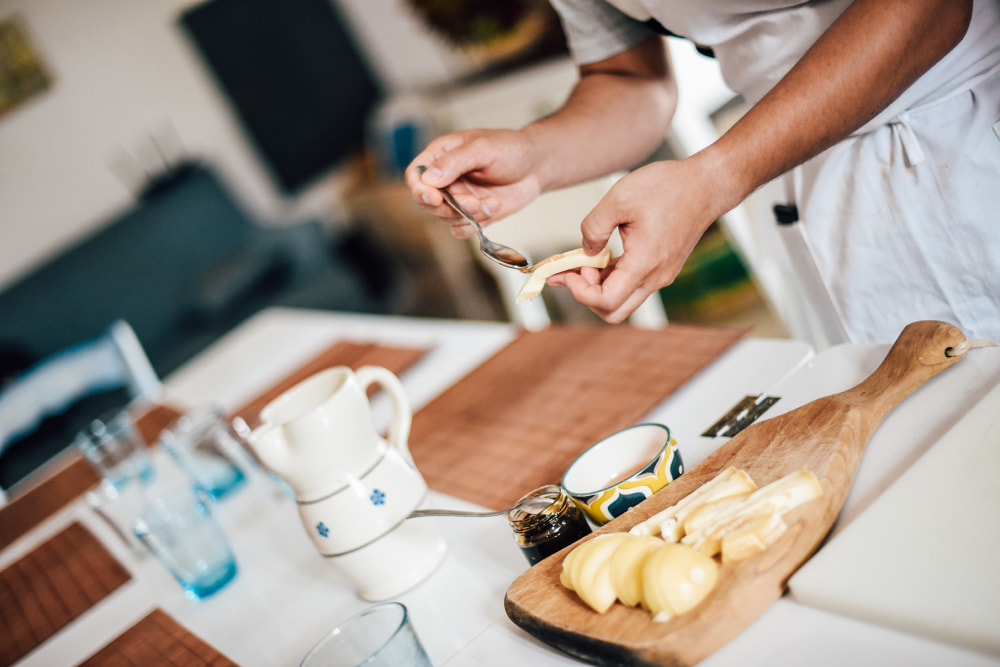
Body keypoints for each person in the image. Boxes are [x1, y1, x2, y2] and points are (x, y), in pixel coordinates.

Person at [406, 0, 1000, 343]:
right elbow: (628, 78)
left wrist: (715, 177)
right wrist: (534, 154)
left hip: (966, 146)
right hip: (805, 185)